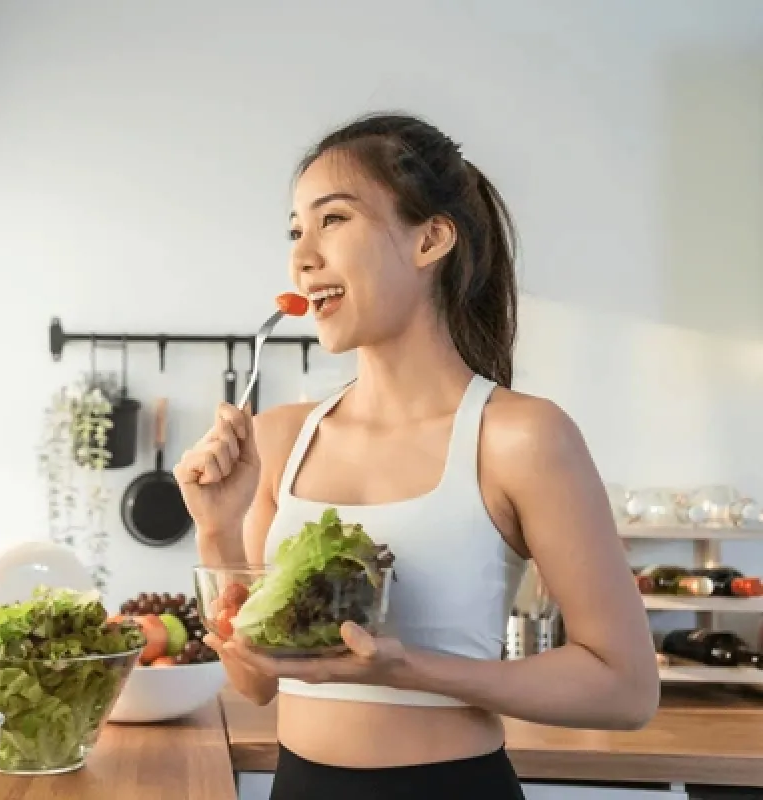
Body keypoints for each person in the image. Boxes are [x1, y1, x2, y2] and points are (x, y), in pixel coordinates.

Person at [174, 112, 660, 799]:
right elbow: (255, 681)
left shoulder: (520, 436)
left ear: (430, 238)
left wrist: (409, 670)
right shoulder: (281, 437)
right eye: (295, 230)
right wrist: (217, 528)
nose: (302, 257)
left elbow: (626, 688)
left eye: (333, 220)